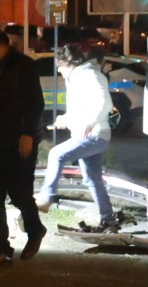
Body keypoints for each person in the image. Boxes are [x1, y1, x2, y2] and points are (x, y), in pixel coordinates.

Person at [0, 27, 47, 262]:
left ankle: (35, 230)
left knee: (19, 193)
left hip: (18, 141)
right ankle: (1, 248)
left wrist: (28, 134)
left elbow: (35, 103)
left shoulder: (22, 66)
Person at [38, 39, 117, 232]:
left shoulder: (89, 75)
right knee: (92, 178)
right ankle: (108, 220)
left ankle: (46, 198)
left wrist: (90, 121)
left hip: (95, 134)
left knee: (56, 154)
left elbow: (105, 103)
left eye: (60, 68)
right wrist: (65, 119)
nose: (59, 72)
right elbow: (82, 109)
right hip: (88, 134)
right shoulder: (78, 77)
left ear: (69, 64)